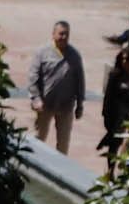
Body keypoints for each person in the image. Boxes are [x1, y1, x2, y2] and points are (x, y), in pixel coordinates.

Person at [24, 23, 86, 153]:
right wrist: (36, 98)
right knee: (39, 139)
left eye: (66, 34)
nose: (63, 37)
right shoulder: (42, 53)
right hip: (45, 104)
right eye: (61, 33)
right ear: (53, 34)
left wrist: (80, 104)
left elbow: (80, 80)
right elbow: (33, 77)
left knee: (63, 143)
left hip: (66, 106)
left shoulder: (74, 55)